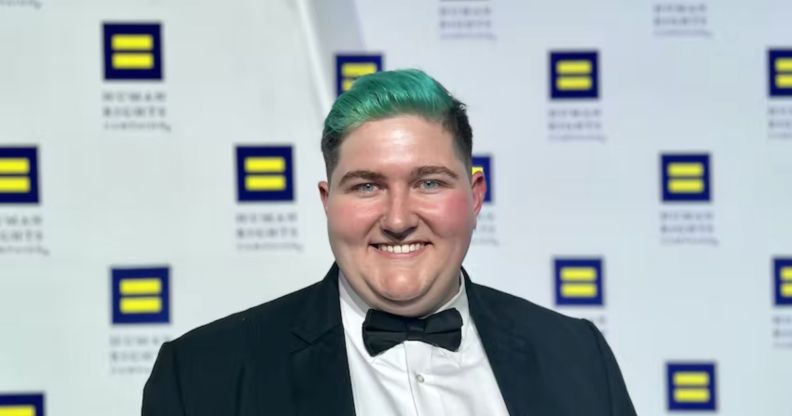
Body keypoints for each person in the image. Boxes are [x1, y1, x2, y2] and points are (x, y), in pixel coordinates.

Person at [142, 69, 636, 415]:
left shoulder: (576, 356)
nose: (398, 219)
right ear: (327, 201)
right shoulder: (206, 376)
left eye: (429, 183)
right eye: (366, 186)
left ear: (476, 194)